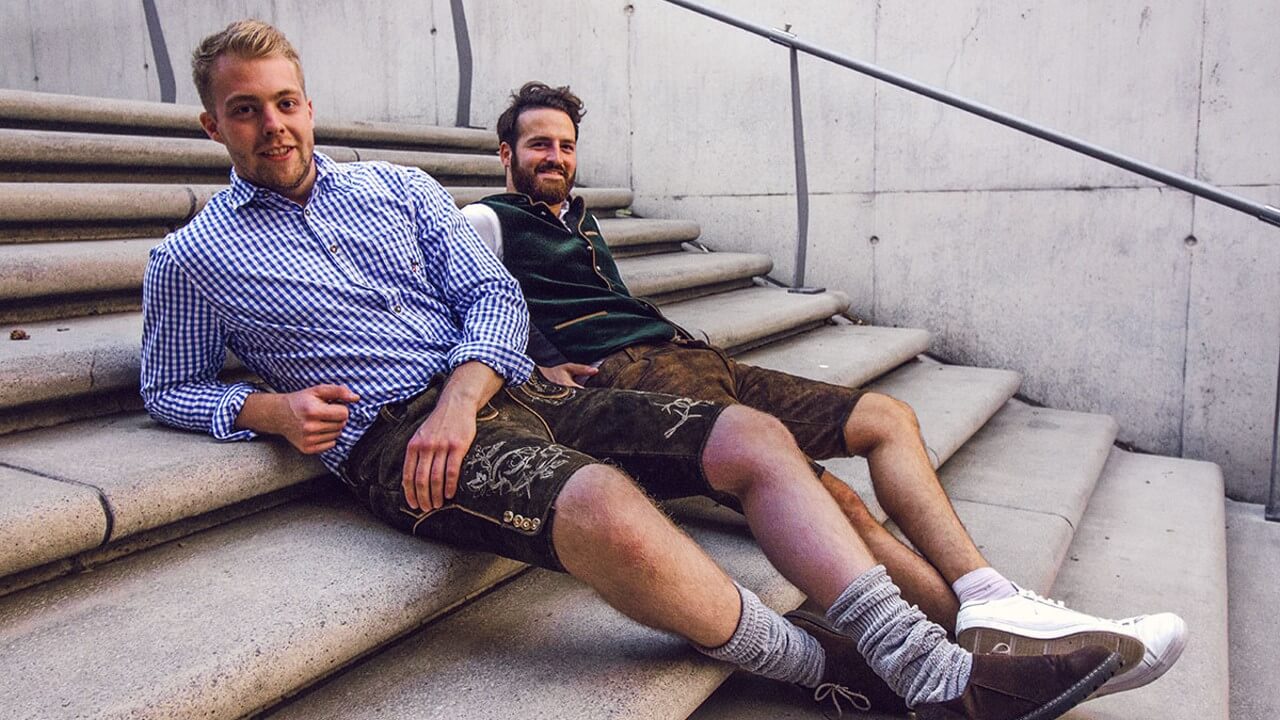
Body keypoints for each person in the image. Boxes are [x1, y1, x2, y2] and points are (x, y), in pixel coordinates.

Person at [141, 21, 1123, 720]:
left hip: (498, 388)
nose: (273, 126)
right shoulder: (190, 261)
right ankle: (827, 669)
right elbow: (168, 388)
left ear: (307, 104)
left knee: (750, 437)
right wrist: (264, 408)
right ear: (211, 128)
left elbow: (490, 297)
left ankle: (922, 663)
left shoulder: (395, 189)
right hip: (397, 442)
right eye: (244, 110)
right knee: (605, 503)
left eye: (284, 103)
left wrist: (465, 391)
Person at [462, 81, 1187, 701]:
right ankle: (991, 662)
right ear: (506, 155)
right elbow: (465, 305)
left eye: (563, 145)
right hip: (633, 378)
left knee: (886, 417)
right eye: (537, 146)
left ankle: (991, 599)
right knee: (830, 500)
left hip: (691, 355)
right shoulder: (488, 219)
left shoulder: (579, 216)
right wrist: (531, 366)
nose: (554, 157)